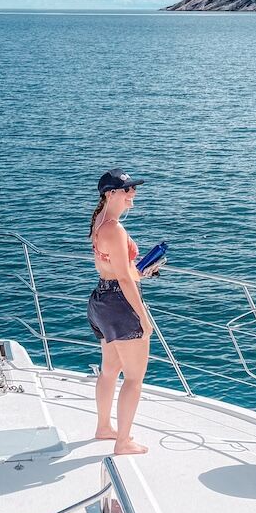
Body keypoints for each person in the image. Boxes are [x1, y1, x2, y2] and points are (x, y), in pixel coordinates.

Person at [88, 169, 159, 455]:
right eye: (127, 189)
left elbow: (115, 269)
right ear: (110, 193)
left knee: (109, 371)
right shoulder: (114, 229)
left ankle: (104, 427)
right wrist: (143, 317)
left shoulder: (99, 222)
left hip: (102, 299)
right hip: (120, 303)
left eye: (132, 188)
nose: (132, 193)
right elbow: (125, 280)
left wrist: (140, 270)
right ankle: (123, 441)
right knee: (134, 378)